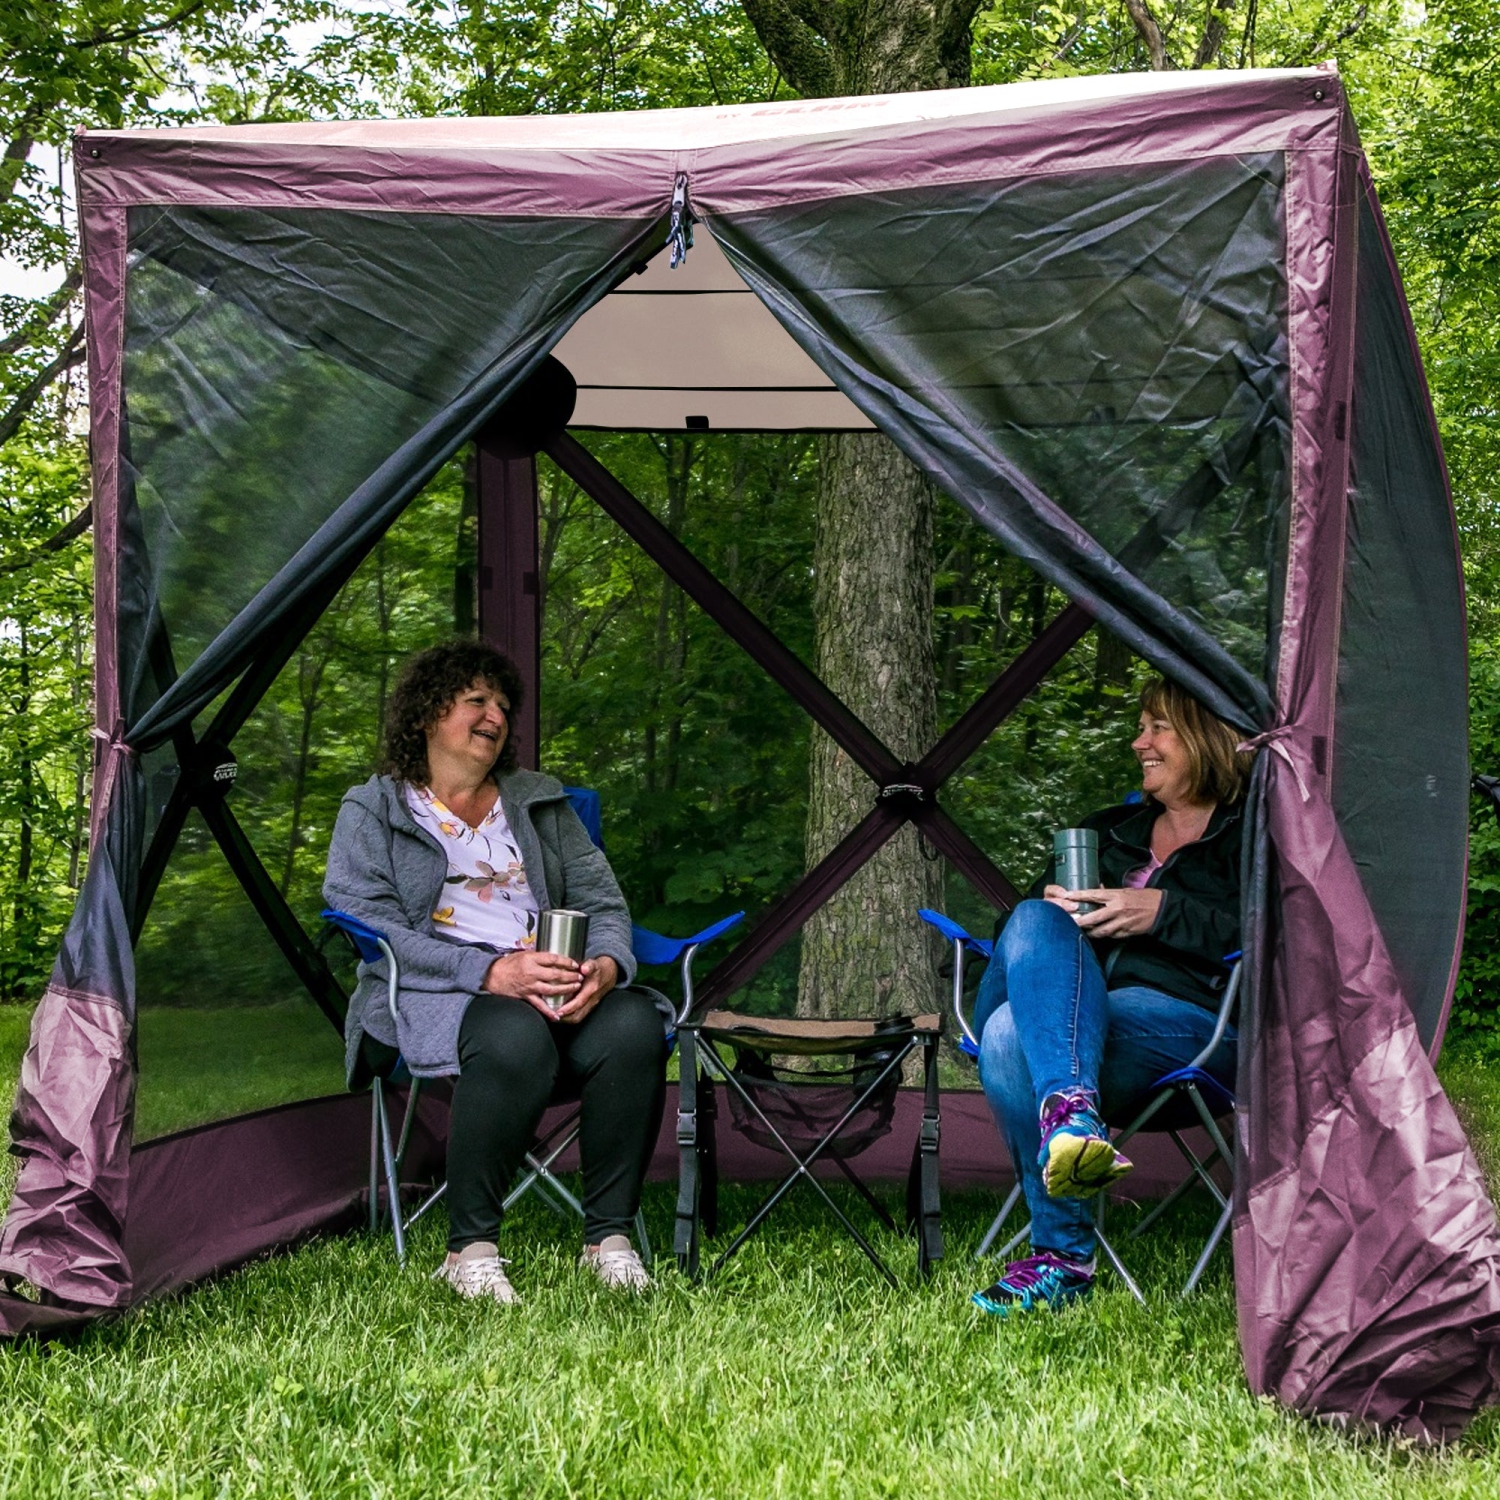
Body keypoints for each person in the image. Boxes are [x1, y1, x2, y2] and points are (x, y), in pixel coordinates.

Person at [324, 640, 669, 1304]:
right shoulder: (375, 809)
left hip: (558, 983)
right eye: (476, 700)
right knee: (511, 1031)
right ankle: (470, 1251)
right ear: (427, 713)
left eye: (503, 705)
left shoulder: (539, 801)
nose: (494, 716)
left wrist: (605, 964)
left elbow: (603, 903)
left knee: (632, 1022)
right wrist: (489, 973)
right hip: (443, 991)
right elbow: (365, 917)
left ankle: (609, 1239)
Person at [971, 677, 1253, 1316]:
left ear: (1204, 736)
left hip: (1192, 1028)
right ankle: (1071, 1115)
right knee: (1030, 926)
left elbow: (1284, 935)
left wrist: (1162, 913)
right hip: (1076, 1018)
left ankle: (1063, 1256)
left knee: (1012, 1037)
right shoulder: (1108, 833)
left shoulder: (1253, 837)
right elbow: (1016, 937)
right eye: (1141, 727)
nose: (1139, 742)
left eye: (1157, 727)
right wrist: (1052, 912)